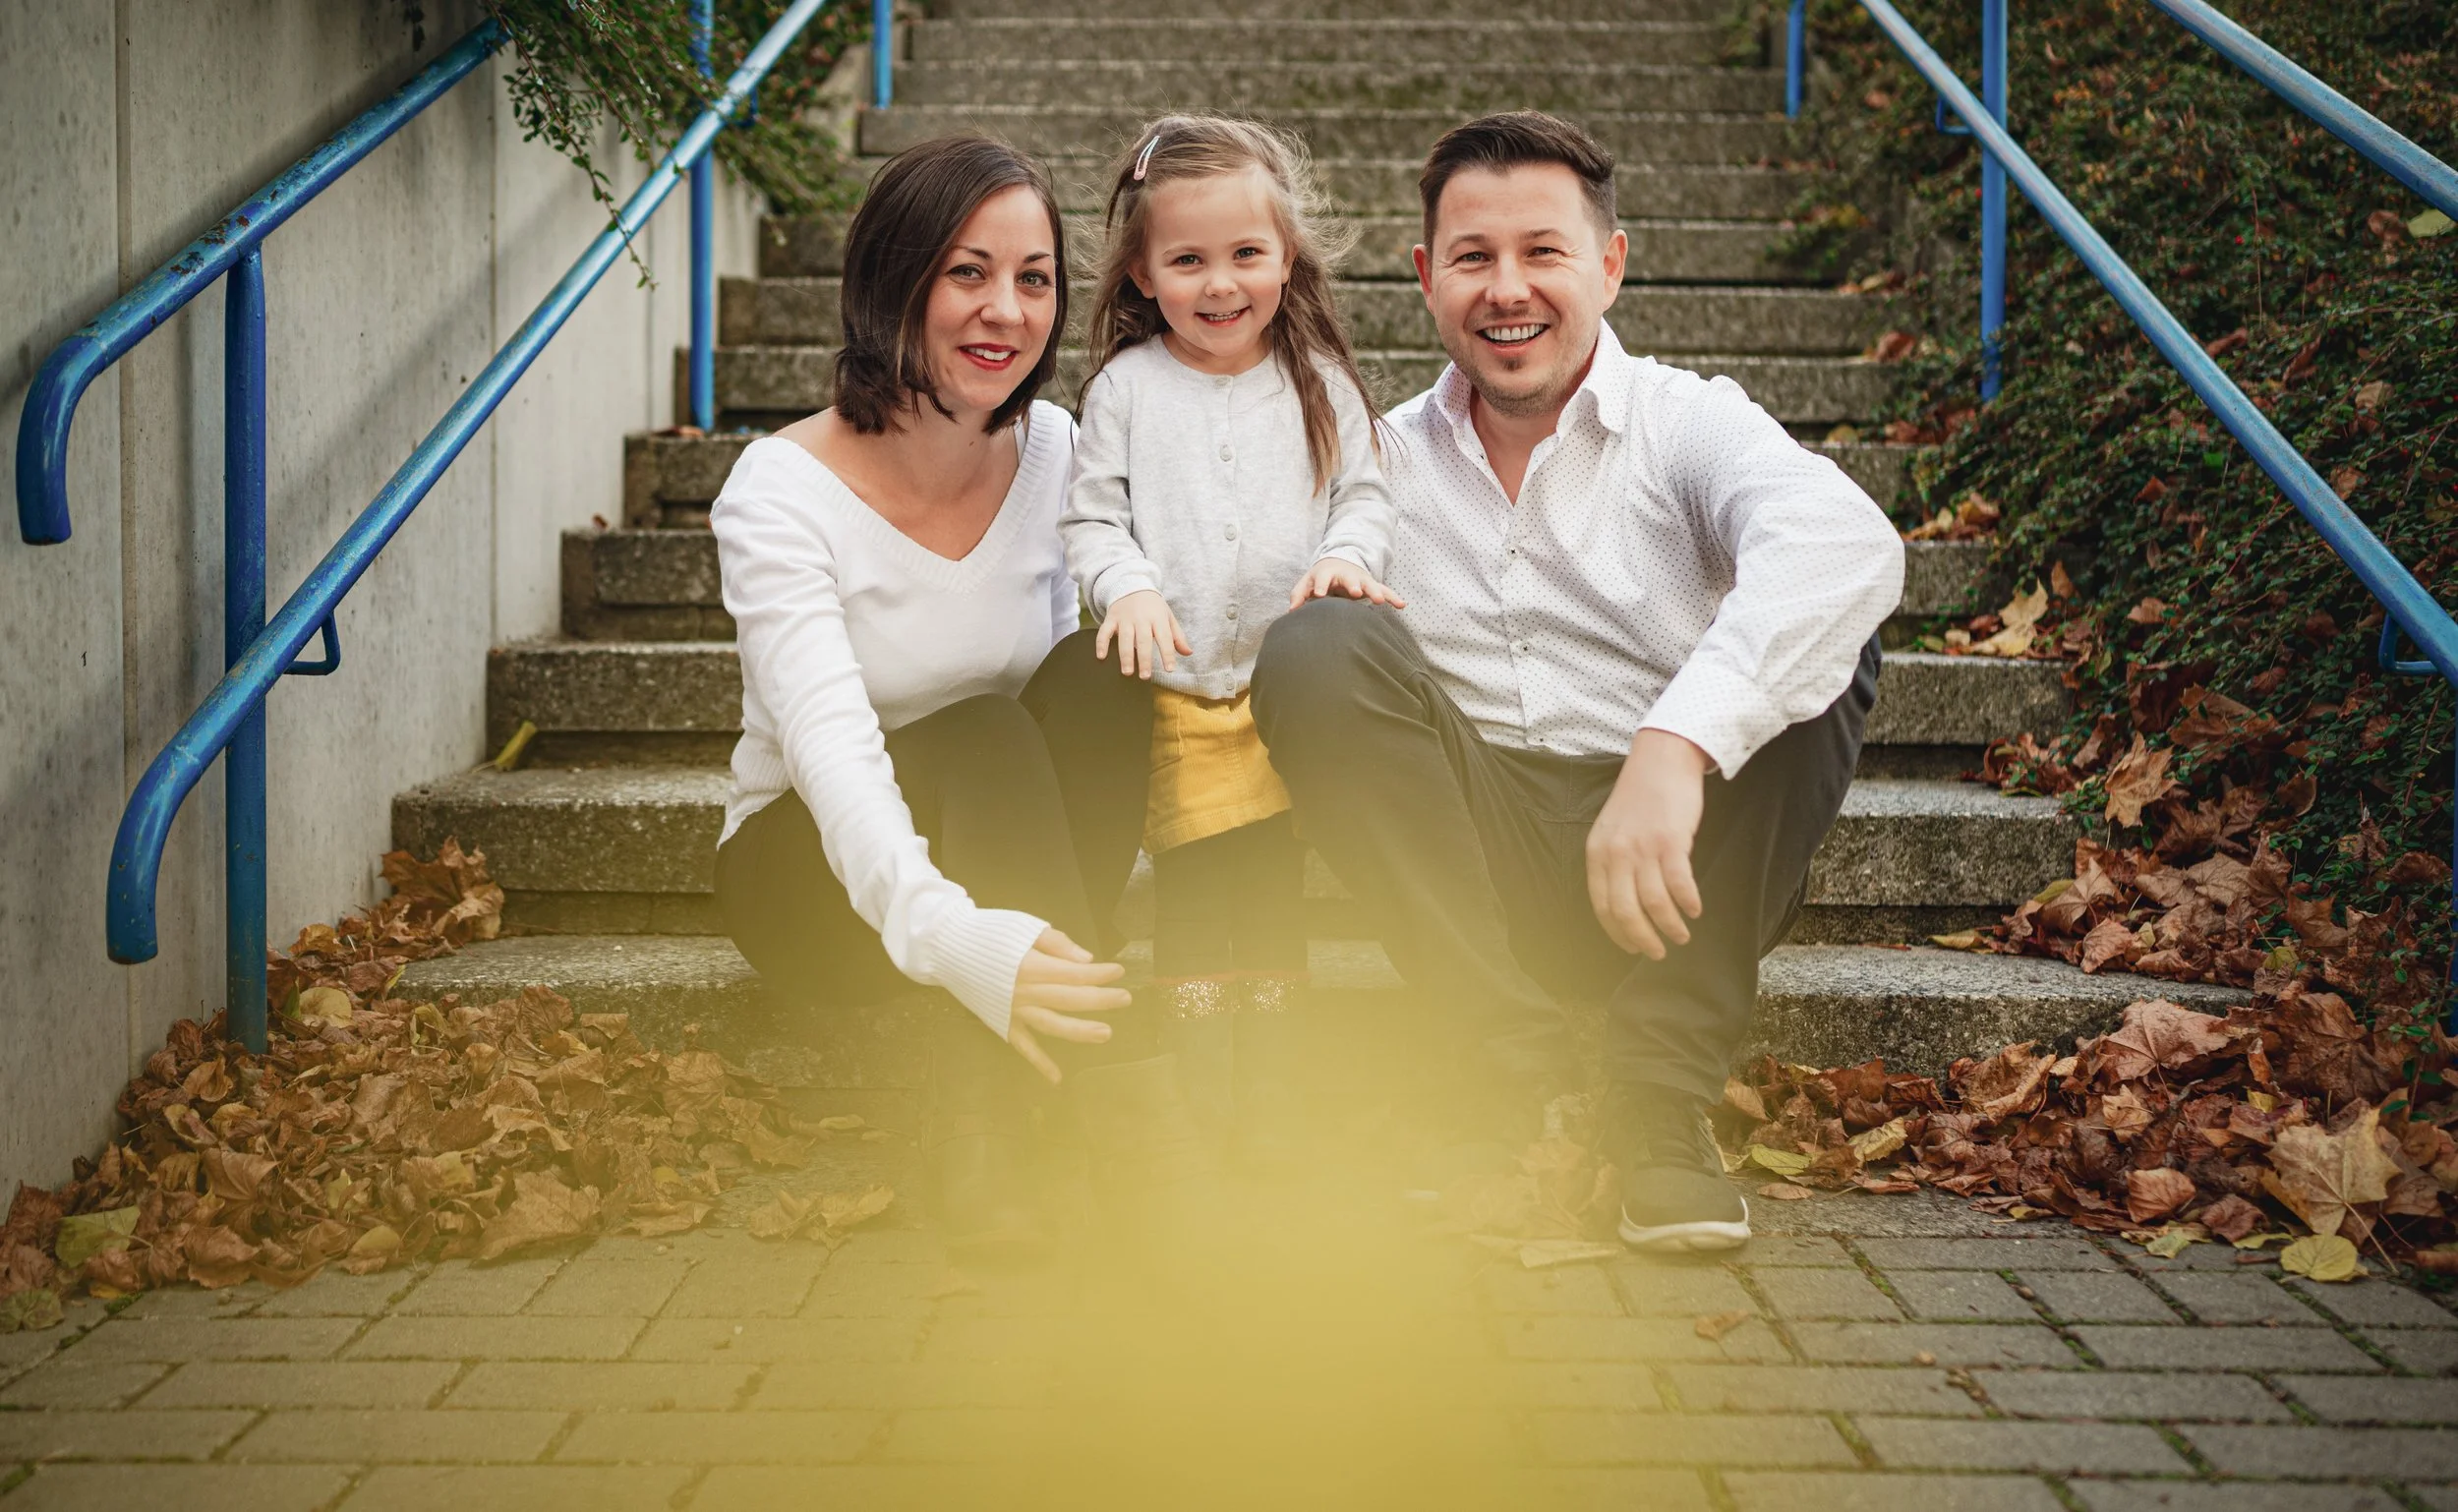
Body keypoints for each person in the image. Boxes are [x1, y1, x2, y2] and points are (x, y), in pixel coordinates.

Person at [1251, 112, 1904, 1251]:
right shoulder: (1378, 461)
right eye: (1473, 258)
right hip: (1480, 872)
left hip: (1676, 869)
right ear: (1425, 278)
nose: (1509, 289)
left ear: (1609, 262)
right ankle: (1498, 1076)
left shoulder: (1687, 423)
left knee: (1829, 640)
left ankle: (1657, 1104)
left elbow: (1849, 546)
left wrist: (1677, 745)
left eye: (1542, 252)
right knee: (1319, 639)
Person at [709, 135, 1219, 1259]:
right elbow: (834, 749)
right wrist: (951, 936)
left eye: (1033, 278)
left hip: (1005, 849)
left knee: (1106, 672)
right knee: (980, 729)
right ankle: (1114, 1098)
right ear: (894, 281)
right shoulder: (781, 492)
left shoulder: (1055, 452)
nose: (1006, 310)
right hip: (821, 882)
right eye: (967, 272)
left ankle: (991, 1106)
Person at [1061, 115, 1398, 1169]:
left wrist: (1345, 558)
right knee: (1197, 893)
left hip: (1275, 698)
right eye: (1188, 260)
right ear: (1143, 274)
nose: (1220, 283)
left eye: (1245, 254)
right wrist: (1125, 586)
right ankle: (1199, 1087)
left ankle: (1275, 1081)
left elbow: (1367, 496)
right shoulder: (1125, 391)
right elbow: (1091, 519)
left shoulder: (1320, 384)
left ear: (1285, 257)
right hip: (1176, 690)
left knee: (1270, 888)